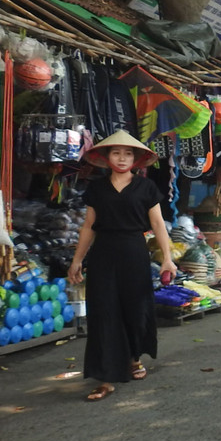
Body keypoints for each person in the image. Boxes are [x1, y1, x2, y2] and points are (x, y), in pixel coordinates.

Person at [68, 130, 177, 402]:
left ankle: (133, 357)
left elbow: (157, 224)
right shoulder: (97, 188)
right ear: (106, 157)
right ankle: (105, 378)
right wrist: (77, 260)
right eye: (116, 152)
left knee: (135, 308)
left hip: (134, 253)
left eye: (128, 153)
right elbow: (89, 226)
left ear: (137, 159)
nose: (122, 158)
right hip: (103, 254)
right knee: (103, 312)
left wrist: (167, 257)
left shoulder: (146, 188)